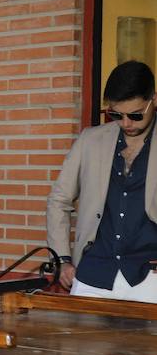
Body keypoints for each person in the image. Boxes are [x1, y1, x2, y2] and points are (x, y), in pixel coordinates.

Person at [48, 61, 157, 302]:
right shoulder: (91, 140)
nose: (126, 123)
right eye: (116, 114)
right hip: (92, 274)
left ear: (154, 100)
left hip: (151, 278)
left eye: (135, 114)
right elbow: (59, 199)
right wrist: (63, 259)